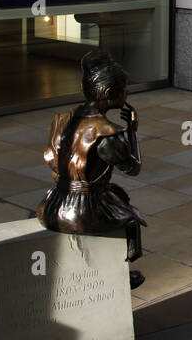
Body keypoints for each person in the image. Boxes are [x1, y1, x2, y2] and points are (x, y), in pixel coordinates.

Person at [37, 49, 147, 287]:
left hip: (53, 203)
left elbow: (53, 161)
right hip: (82, 210)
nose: (126, 94)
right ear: (109, 93)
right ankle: (118, 274)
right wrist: (132, 132)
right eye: (124, 90)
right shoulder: (106, 134)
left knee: (117, 195)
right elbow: (133, 168)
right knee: (130, 218)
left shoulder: (62, 119)